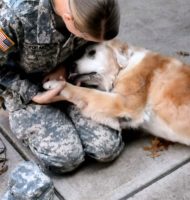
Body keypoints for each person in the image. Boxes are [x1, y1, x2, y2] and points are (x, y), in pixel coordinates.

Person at [0, 0, 124, 173]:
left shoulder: (95, 7)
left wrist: (65, 68)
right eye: (84, 36)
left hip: (71, 78)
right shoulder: (14, 17)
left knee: (106, 148)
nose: (84, 40)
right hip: (25, 89)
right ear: (68, 18)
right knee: (67, 159)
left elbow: (93, 43)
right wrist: (34, 94)